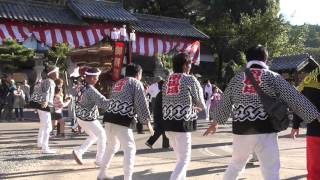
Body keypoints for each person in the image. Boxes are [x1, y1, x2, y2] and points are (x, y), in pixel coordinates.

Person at [204, 45, 320, 180]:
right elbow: (294, 97)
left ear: (248, 59)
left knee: (235, 166)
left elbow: (225, 101)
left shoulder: (237, 78)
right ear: (265, 59)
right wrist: (314, 115)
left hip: (241, 130)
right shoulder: (273, 77)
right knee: (271, 170)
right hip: (266, 130)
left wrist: (215, 122)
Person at [98, 64, 154, 180]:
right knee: (130, 149)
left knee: (112, 146)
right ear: (138, 74)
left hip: (109, 117)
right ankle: (127, 178)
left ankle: (102, 173)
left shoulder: (118, 83)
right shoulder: (135, 83)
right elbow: (141, 103)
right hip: (122, 118)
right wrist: (147, 121)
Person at [162, 53, 206, 180]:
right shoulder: (190, 79)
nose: (191, 66)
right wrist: (198, 107)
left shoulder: (167, 80)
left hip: (169, 124)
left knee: (180, 159)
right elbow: (200, 102)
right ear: (185, 65)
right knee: (184, 160)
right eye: (190, 63)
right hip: (182, 124)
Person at [71, 67, 109, 166]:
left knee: (94, 136)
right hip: (89, 119)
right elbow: (103, 103)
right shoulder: (91, 90)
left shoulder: (80, 86)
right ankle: (99, 160)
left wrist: (76, 122)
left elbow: (76, 101)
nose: (97, 79)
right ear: (92, 78)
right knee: (102, 135)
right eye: (97, 77)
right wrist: (117, 100)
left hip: (80, 118)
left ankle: (79, 151)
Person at [291, 68, 320, 180]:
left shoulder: (308, 81)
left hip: (314, 131)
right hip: (314, 132)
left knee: (314, 168)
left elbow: (298, 103)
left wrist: (295, 125)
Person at [30, 66, 59, 154]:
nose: (58, 74)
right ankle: (45, 148)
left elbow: (41, 91)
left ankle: (40, 143)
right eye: (57, 72)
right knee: (48, 127)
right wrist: (45, 101)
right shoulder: (50, 81)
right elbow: (47, 92)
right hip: (45, 105)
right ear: (52, 73)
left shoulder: (46, 81)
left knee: (43, 125)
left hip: (41, 105)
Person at [145, 79, 170, 149]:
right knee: (161, 130)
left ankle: (165, 145)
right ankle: (151, 142)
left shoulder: (160, 94)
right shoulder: (163, 94)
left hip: (159, 115)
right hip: (161, 116)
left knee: (162, 130)